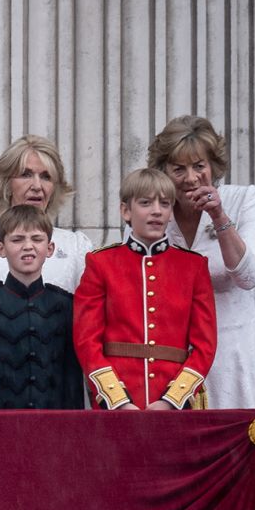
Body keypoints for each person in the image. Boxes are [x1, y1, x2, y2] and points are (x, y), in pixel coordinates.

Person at [151, 115, 255, 409]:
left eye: (199, 166)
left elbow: (250, 277)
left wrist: (220, 217)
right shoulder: (152, 210)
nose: (191, 178)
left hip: (235, 359)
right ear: (163, 172)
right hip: (174, 362)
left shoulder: (245, 199)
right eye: (178, 169)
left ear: (213, 167)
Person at [73, 168, 215, 410]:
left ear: (171, 213)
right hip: (116, 403)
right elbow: (87, 340)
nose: (157, 211)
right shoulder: (100, 263)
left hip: (174, 404)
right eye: (146, 203)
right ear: (125, 210)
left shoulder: (194, 266)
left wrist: (172, 400)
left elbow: (205, 344)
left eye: (165, 203)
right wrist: (118, 400)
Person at [0, 135, 94, 327]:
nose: (37, 186)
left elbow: (86, 320)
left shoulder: (76, 246)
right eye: (25, 174)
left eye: (46, 176)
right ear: (7, 183)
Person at [0, 205, 84, 410]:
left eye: (37, 239)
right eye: (17, 239)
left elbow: (72, 382)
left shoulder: (64, 305)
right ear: (1, 248)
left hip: (53, 427)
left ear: (49, 248)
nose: (28, 246)